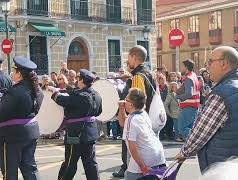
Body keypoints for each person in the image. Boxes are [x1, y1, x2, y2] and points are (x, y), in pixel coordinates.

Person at [175, 46, 238, 172]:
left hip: (225, 166)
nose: (207, 67)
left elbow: (202, 131)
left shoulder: (222, 93)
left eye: (210, 62)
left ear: (223, 63)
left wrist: (185, 152)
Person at [0, 56, 43, 179]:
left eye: (14, 71)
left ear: (19, 74)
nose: (12, 74)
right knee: (30, 168)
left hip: (12, 136)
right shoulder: (37, 90)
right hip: (31, 131)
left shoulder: (14, 91)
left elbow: (1, 113)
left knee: (10, 172)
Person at [113, 45, 158, 178]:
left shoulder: (138, 76)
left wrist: (128, 117)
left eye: (129, 58)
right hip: (149, 118)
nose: (128, 61)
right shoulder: (150, 73)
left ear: (134, 57)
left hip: (139, 121)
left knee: (135, 156)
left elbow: (137, 102)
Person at [49, 69, 102, 180]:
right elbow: (98, 112)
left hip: (75, 134)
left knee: (70, 163)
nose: (77, 81)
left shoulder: (80, 95)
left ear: (82, 81)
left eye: (78, 78)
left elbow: (62, 100)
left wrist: (54, 92)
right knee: (91, 164)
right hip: (90, 133)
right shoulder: (97, 95)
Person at [119, 88, 166, 180]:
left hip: (146, 158)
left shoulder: (131, 119)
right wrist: (121, 108)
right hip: (158, 156)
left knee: (130, 176)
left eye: (126, 100)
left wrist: (143, 167)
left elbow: (133, 148)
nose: (124, 101)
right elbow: (123, 123)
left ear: (131, 104)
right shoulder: (143, 113)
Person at [176, 59, 200, 140]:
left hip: (188, 107)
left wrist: (177, 97)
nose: (181, 68)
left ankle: (196, 141)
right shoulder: (194, 76)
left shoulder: (189, 78)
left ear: (186, 67)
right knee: (191, 128)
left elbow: (189, 94)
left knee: (182, 129)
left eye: (182, 66)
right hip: (193, 107)